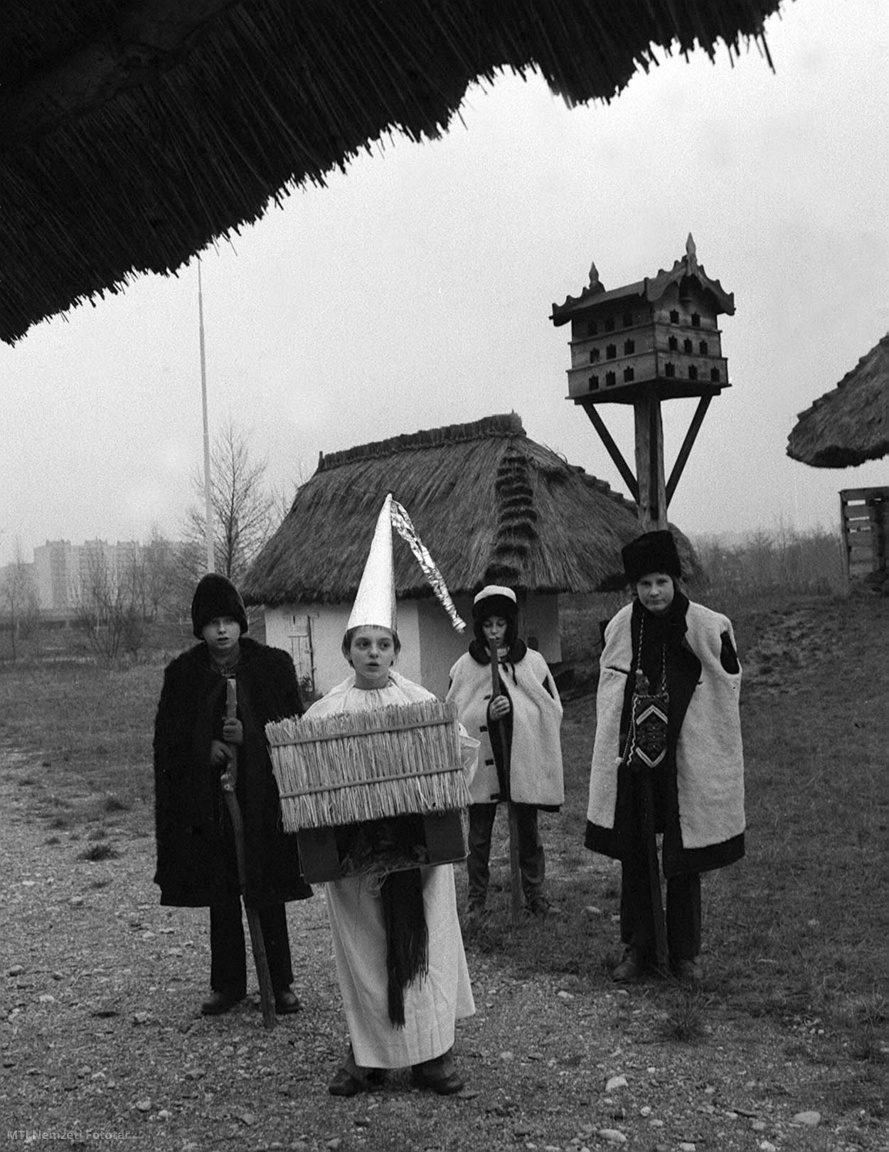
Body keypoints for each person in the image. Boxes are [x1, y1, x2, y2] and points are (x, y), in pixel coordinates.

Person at [304, 495, 475, 1097]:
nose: (373, 653)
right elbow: (305, 782)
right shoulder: (326, 714)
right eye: (362, 644)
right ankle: (368, 1058)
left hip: (420, 855)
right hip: (357, 862)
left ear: (396, 651)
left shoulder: (424, 707)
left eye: (383, 643)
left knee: (426, 948)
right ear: (346, 651)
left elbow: (462, 757)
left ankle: (433, 1057)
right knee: (366, 957)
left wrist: (439, 770)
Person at [586, 530, 745, 984]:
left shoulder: (708, 626)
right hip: (635, 759)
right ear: (633, 588)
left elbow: (725, 684)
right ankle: (639, 947)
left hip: (686, 759)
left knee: (685, 854)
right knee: (636, 851)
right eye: (644, 585)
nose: (653, 593)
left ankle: (684, 954)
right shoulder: (620, 627)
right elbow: (610, 688)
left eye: (661, 582)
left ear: (674, 580)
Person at [153, 573, 313, 1015]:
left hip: (263, 803)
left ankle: (279, 982)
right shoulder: (184, 675)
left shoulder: (272, 668)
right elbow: (168, 741)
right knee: (221, 892)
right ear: (198, 629)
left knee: (268, 887)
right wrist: (203, 746)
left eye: (229, 620)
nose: (221, 630)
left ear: (242, 623)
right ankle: (228, 984)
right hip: (211, 807)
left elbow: (292, 733)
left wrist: (252, 737)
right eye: (211, 623)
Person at [446, 585, 564, 919]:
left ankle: (535, 894)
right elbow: (452, 718)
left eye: (500, 624)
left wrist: (513, 708)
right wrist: (486, 714)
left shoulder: (533, 663)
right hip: (484, 764)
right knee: (479, 836)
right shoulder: (464, 668)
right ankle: (476, 900)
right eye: (488, 625)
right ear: (479, 626)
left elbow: (550, 709)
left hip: (520, 759)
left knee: (528, 831)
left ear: (510, 624)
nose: (494, 632)